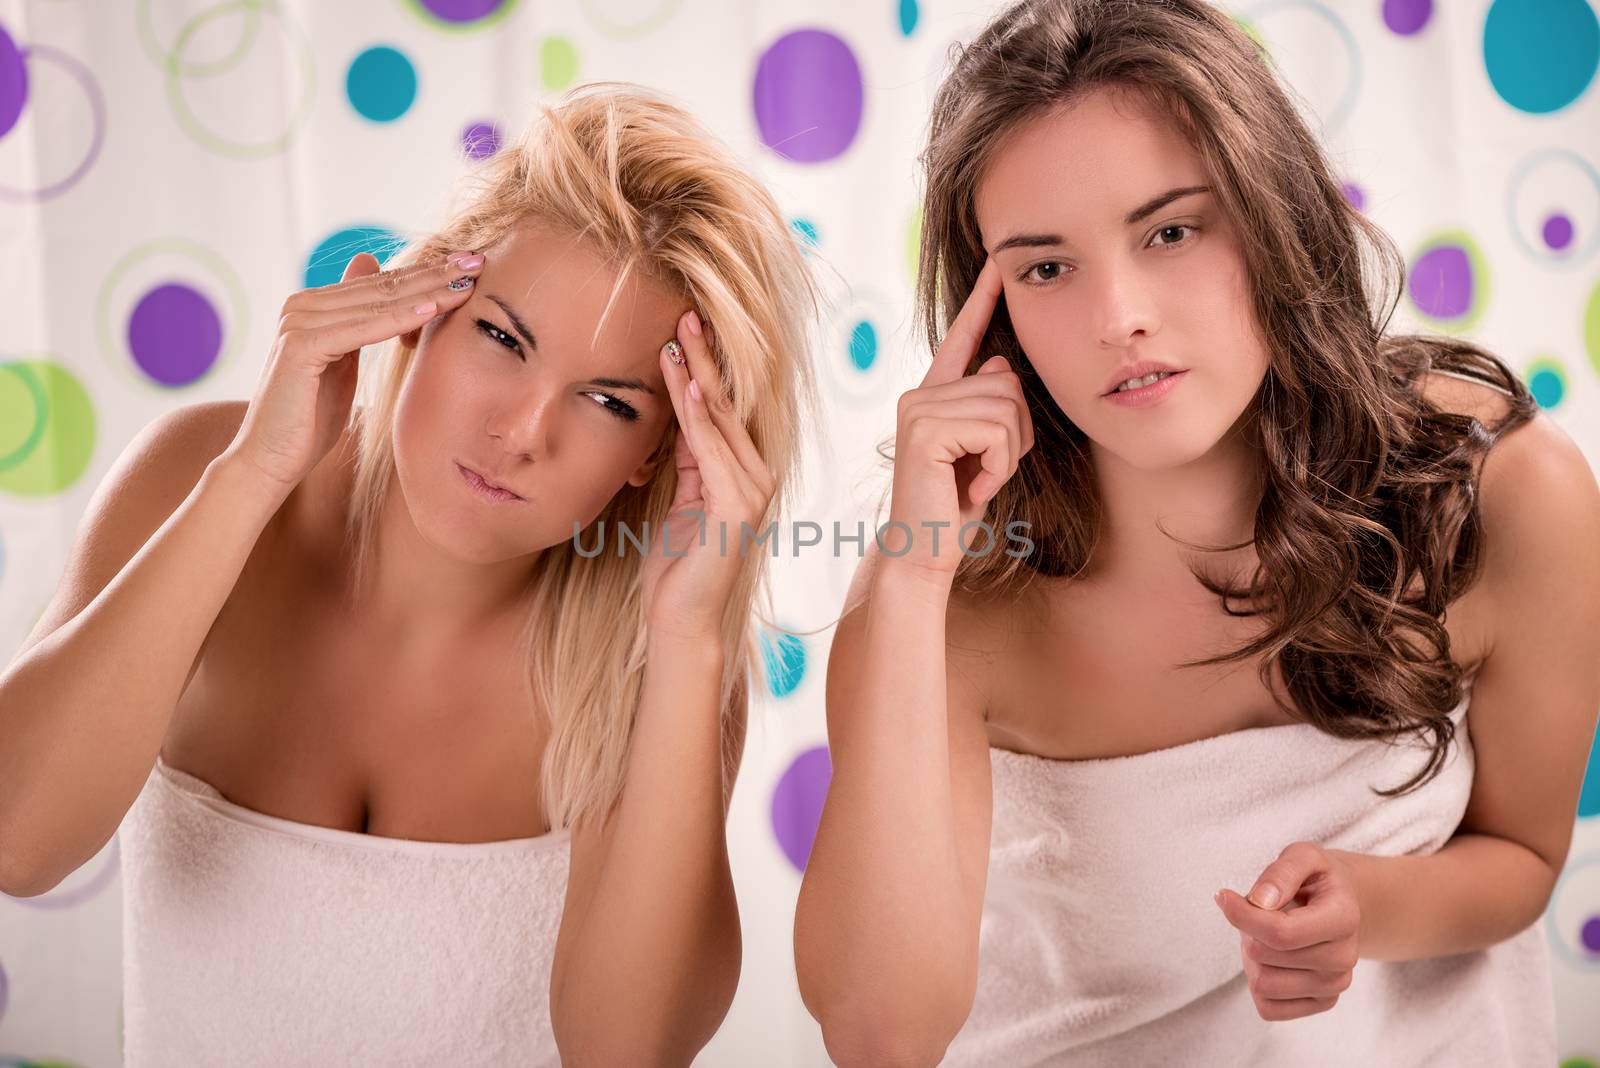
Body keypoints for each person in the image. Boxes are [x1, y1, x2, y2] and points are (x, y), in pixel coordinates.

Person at [793, 1, 1600, 1064]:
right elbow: (877, 1036)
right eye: (1044, 267)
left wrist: (1370, 905)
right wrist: (908, 585)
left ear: (1275, 216)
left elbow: (1522, 854)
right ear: (989, 321)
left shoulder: (1494, 491)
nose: (1116, 314)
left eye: (1170, 230)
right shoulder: (951, 603)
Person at [0, 81, 819, 1066]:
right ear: (423, 306)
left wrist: (690, 641)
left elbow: (625, 1053)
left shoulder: (658, 653)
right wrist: (252, 476)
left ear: (657, 450)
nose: (521, 433)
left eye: (606, 401)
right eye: (502, 338)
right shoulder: (195, 479)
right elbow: (18, 841)